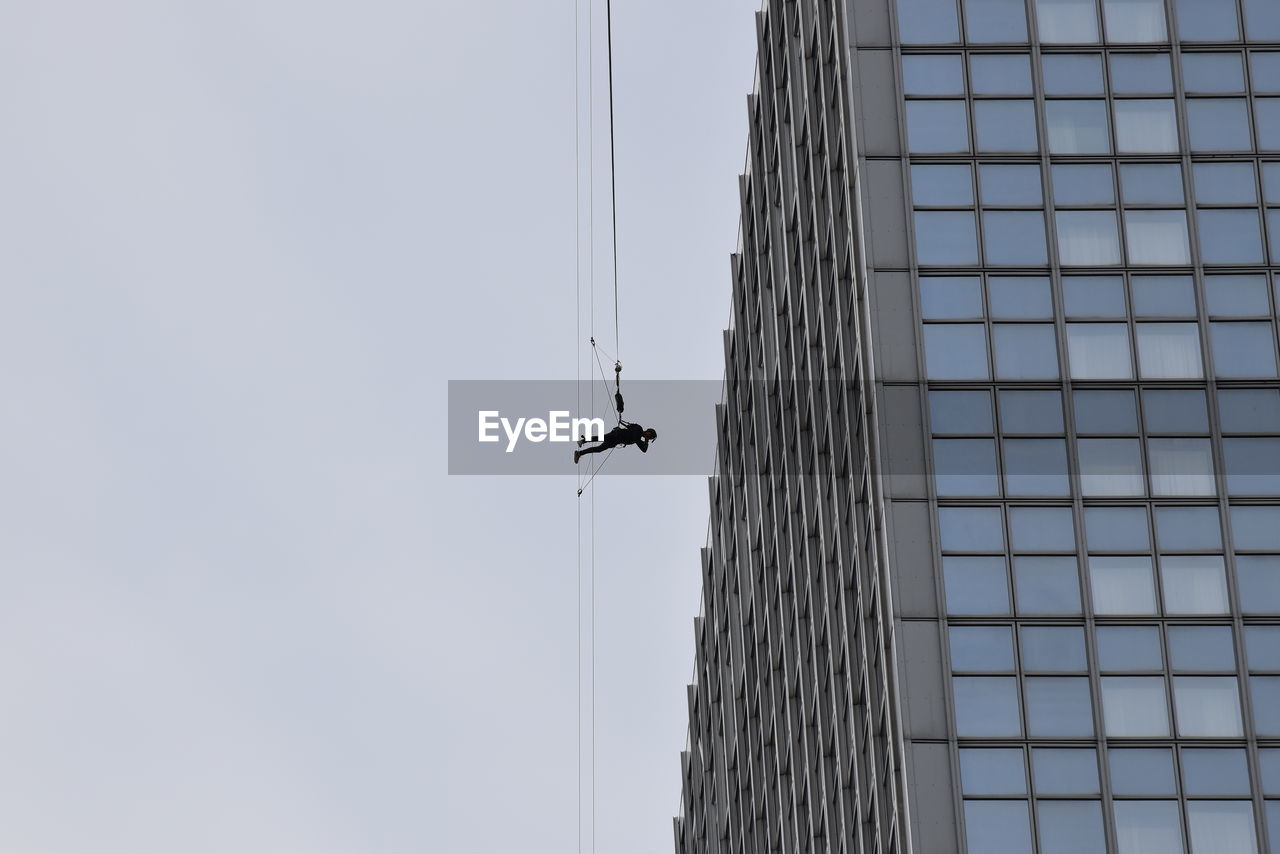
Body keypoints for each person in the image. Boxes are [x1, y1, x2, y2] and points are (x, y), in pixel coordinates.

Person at [574, 422, 657, 463]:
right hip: (616, 435)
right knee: (601, 438)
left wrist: (646, 441)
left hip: (616, 441)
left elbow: (644, 450)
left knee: (599, 449)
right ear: (648, 432)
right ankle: (583, 441)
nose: (648, 438)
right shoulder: (639, 429)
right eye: (649, 436)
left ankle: (579, 453)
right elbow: (634, 435)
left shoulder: (638, 438)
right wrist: (644, 440)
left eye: (650, 438)